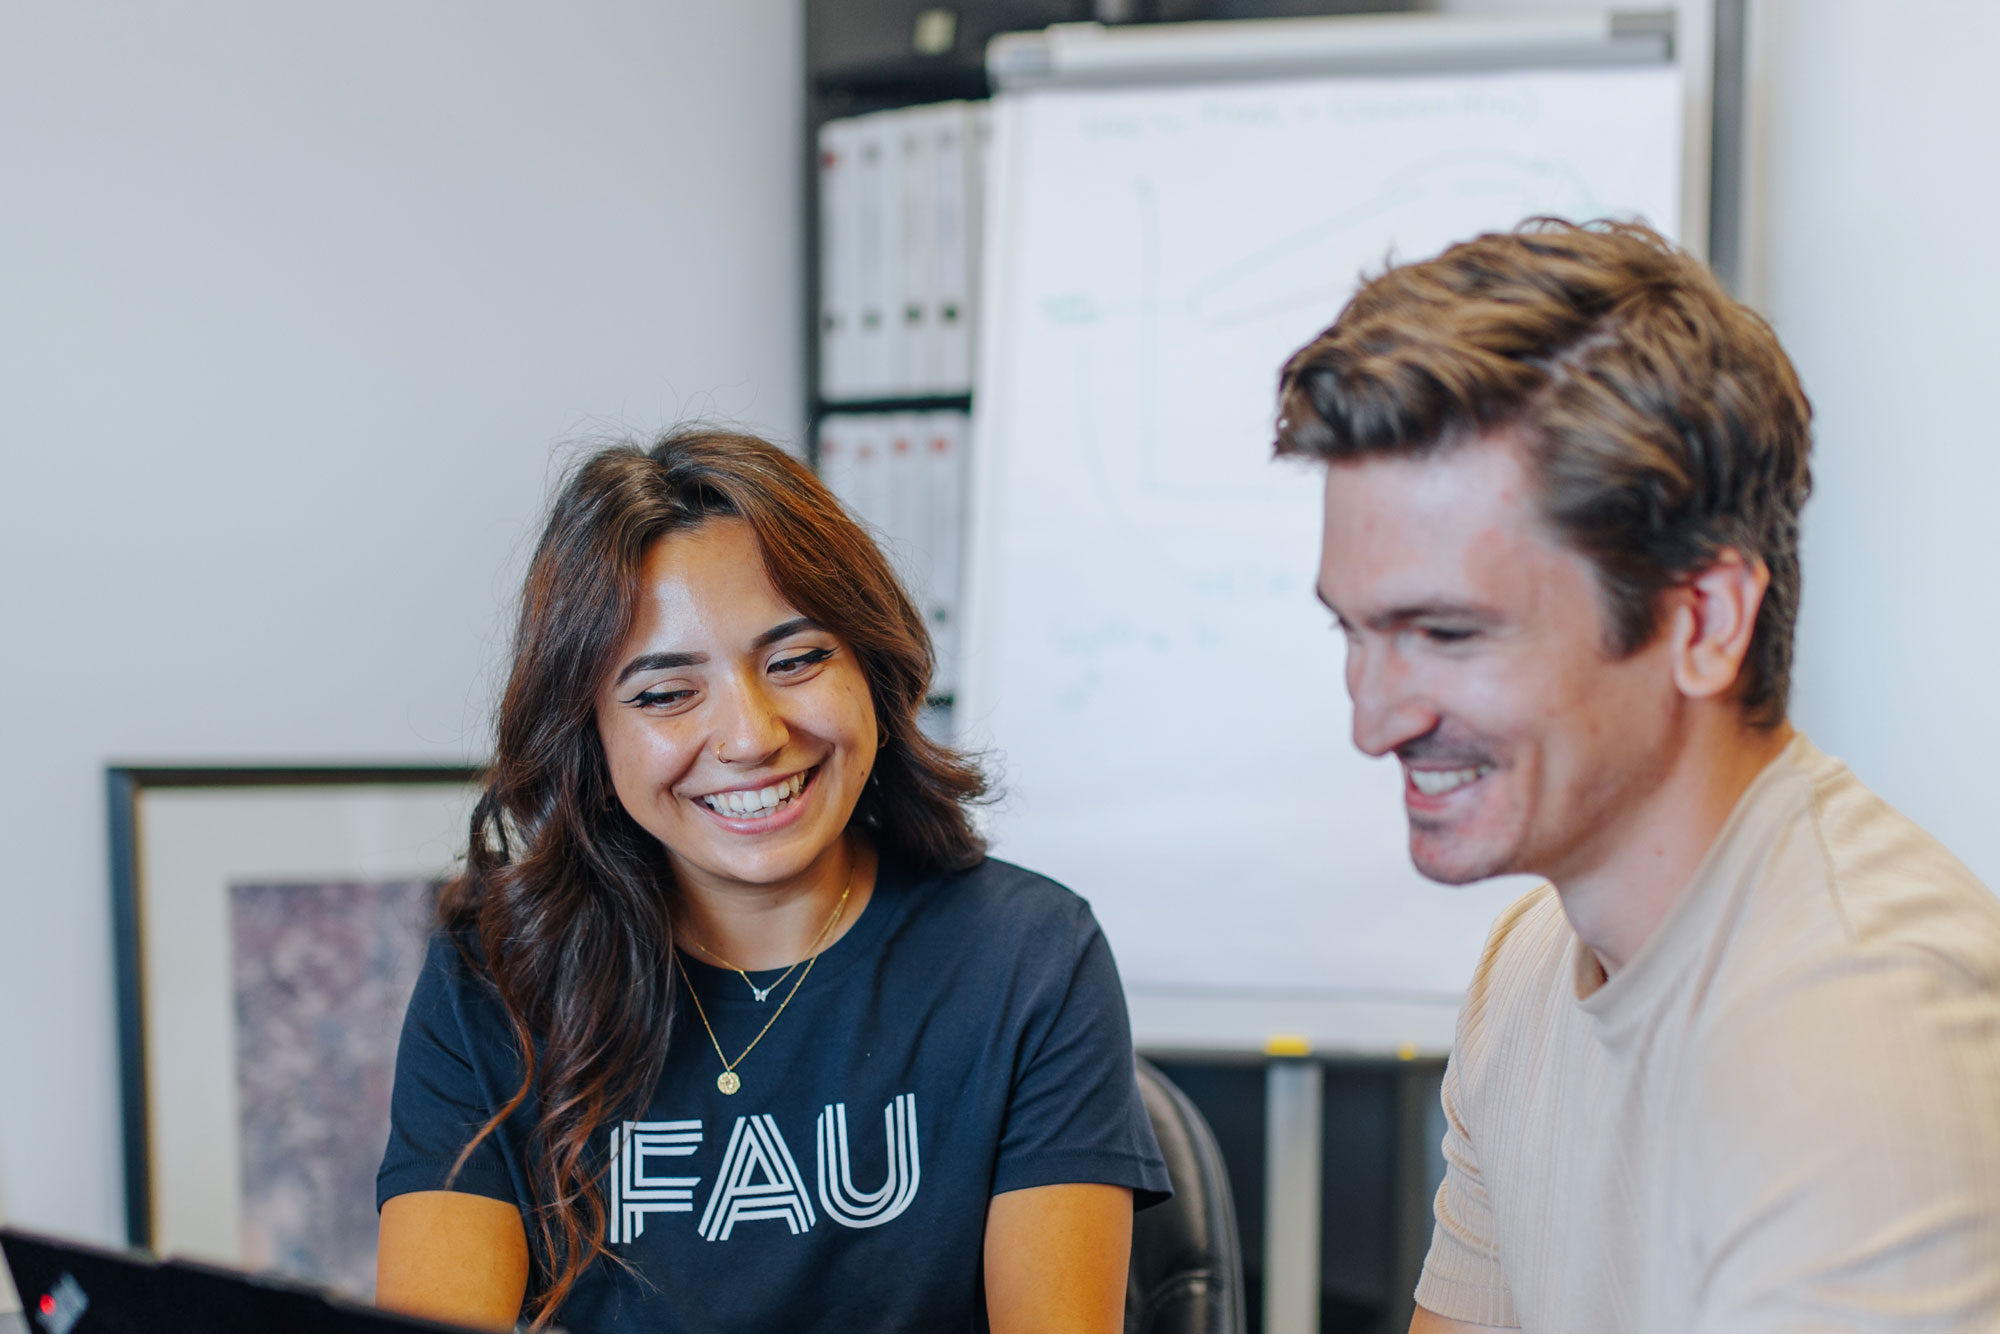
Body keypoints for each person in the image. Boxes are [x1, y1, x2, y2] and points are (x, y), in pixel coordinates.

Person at [1273, 219, 2000, 1332]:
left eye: (1448, 633)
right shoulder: (1526, 971)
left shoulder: (1858, 1026)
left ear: (1701, 619)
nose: (1373, 720)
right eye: (1355, 632)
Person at [375, 429, 1168, 1332]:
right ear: (589, 736)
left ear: (872, 664)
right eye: (666, 693)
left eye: (795, 661)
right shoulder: (496, 981)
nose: (750, 736)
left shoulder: (1028, 958)